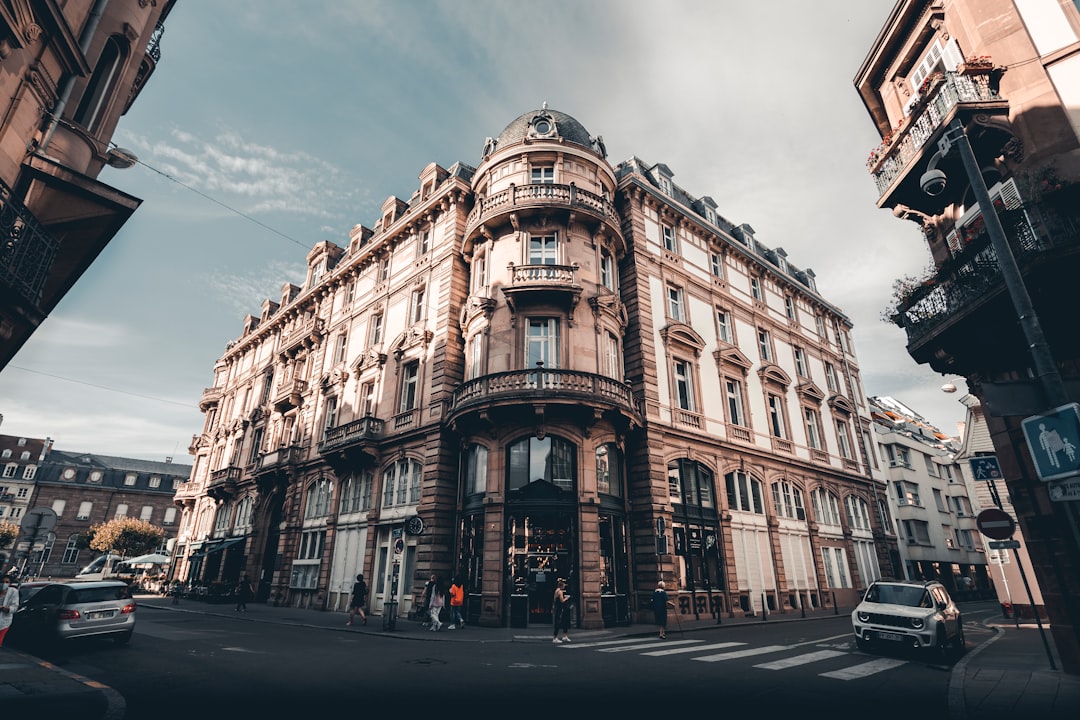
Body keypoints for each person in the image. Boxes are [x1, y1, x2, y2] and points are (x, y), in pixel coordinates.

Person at [0, 573, 19, 648]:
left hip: (4, 622)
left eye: (7, 582)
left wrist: (3, 608)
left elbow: (14, 608)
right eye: (2, 582)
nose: (4, 584)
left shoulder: (13, 592)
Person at [552, 578, 571, 644]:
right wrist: (567, 598)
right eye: (564, 586)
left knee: (561, 621)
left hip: (557, 608)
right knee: (558, 622)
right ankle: (555, 638)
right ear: (561, 586)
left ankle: (564, 636)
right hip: (560, 608)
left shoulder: (556, 590)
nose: (564, 586)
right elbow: (562, 600)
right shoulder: (560, 592)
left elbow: (554, 600)